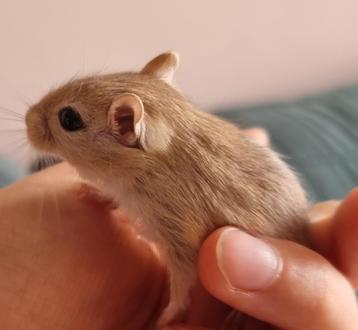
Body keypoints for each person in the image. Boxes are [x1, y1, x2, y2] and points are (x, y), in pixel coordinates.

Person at [0, 162, 357, 329]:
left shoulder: (168, 190)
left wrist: (176, 304)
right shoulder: (137, 177)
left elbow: (183, 250)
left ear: (127, 127)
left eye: (68, 121)